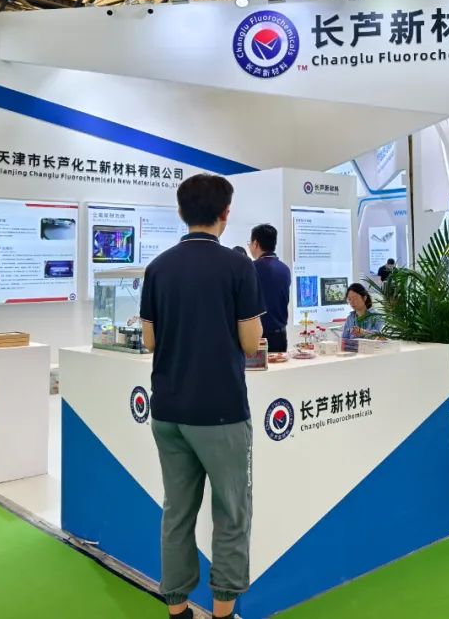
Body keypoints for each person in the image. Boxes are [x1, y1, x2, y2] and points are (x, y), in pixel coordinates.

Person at [140, 174, 264, 619]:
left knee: (176, 512)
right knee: (231, 513)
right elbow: (250, 343)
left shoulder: (158, 268)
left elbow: (150, 340)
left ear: (181, 212)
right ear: (225, 213)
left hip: (168, 408)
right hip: (221, 410)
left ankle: (177, 610)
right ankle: (223, 612)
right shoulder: (238, 267)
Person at [248, 223, 291, 355]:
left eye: (250, 243)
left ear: (255, 243)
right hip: (280, 336)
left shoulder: (250, 268)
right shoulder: (285, 269)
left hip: (257, 337)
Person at [341, 282, 383, 352]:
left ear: (364, 298)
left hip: (372, 354)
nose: (352, 302)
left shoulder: (376, 316)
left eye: (355, 298)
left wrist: (364, 332)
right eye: (349, 299)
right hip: (353, 354)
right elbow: (344, 341)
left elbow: (381, 337)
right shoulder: (350, 318)